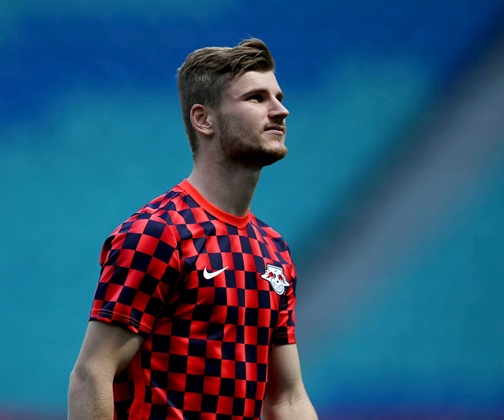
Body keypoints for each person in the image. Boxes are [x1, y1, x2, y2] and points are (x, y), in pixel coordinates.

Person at [68, 38, 318, 420]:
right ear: (204, 120)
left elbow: (287, 398)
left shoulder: (274, 250)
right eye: (256, 98)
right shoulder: (158, 234)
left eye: (278, 97)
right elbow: (91, 374)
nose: (280, 110)